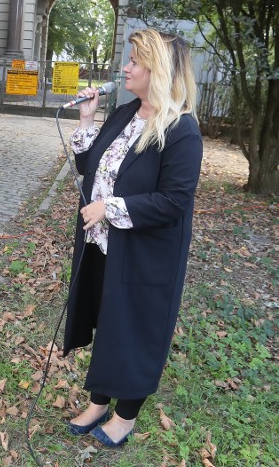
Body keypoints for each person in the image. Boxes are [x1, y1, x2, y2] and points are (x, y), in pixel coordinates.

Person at [62, 28, 203, 447]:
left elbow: (174, 201)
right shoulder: (126, 113)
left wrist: (110, 208)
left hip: (146, 255)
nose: (126, 67)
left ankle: (126, 415)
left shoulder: (181, 130)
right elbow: (92, 166)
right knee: (108, 321)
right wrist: (87, 120)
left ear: (157, 70)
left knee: (135, 329)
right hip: (106, 245)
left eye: (135, 62)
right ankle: (99, 402)